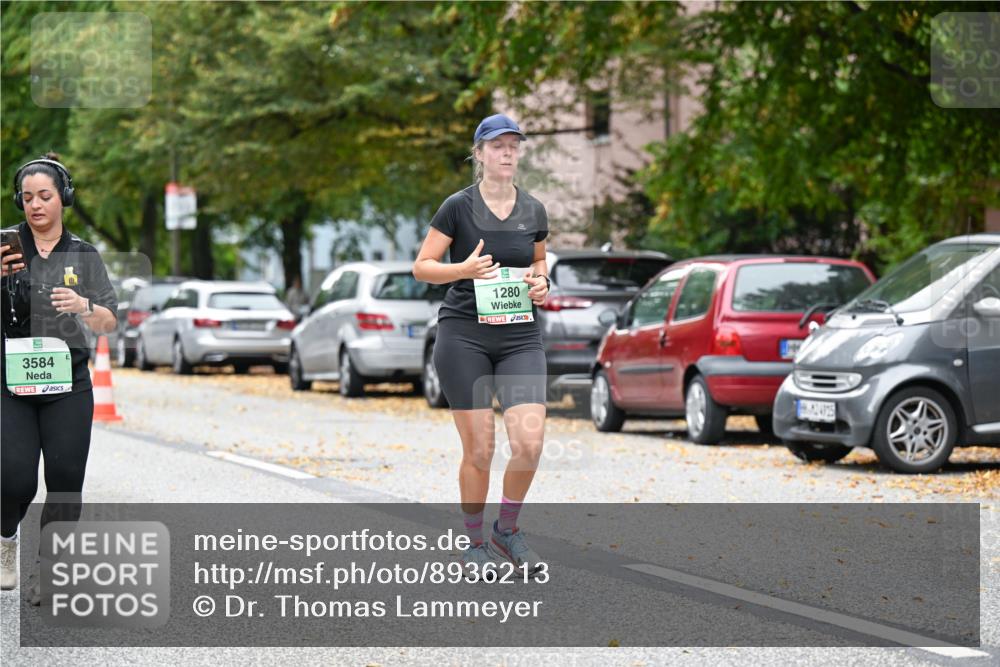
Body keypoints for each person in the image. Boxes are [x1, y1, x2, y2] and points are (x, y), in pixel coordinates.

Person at [412, 114, 550, 574]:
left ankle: (506, 531)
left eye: (513, 145)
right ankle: (474, 544)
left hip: (519, 336)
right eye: (497, 146)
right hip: (464, 335)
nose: (507, 152)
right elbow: (423, 266)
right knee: (480, 449)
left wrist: (542, 284)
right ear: (479, 153)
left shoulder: (534, 209)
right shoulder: (457, 206)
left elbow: (539, 263)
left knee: (529, 443)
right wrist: (462, 271)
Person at [0, 154, 118, 599]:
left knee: (66, 478)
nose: (35, 205)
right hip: (10, 383)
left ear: (63, 198)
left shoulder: (83, 254)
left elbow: (109, 321)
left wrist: (84, 306)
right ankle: (6, 539)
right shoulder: (4, 247)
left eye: (45, 196)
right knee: (14, 479)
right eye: (27, 197)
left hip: (68, 383)